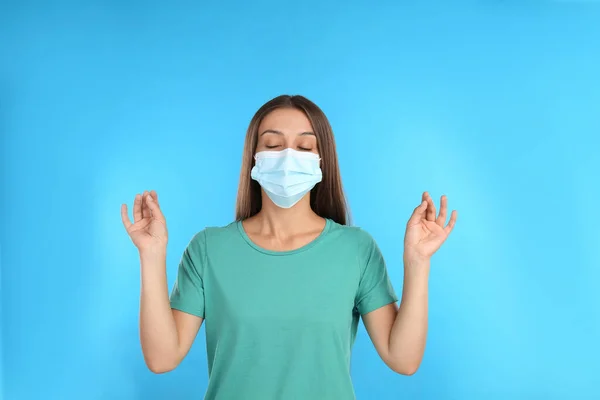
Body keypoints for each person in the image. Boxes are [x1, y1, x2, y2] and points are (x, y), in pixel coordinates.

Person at [121, 94, 457, 399]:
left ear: (322, 160)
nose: (287, 157)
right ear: (253, 159)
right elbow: (162, 358)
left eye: (304, 146)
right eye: (272, 144)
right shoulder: (209, 249)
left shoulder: (356, 250)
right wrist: (151, 255)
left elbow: (403, 359)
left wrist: (417, 261)